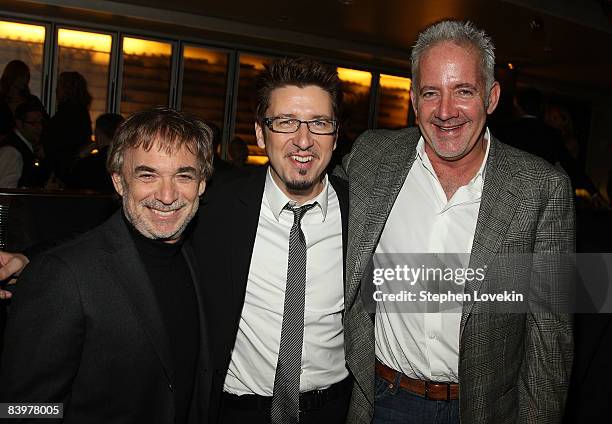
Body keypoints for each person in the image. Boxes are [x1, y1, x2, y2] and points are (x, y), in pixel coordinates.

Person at [338, 20, 575, 423]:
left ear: (492, 97)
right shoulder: (370, 158)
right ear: (414, 100)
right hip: (378, 402)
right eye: (432, 93)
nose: (446, 112)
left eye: (463, 91)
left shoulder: (542, 188)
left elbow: (549, 339)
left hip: (481, 411)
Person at [0, 107, 214, 424]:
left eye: (183, 175)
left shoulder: (200, 258)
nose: (167, 196)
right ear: (119, 182)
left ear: (201, 184)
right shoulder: (63, 277)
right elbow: (20, 410)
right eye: (147, 174)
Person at [194, 57, 350, 424]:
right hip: (235, 412)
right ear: (261, 133)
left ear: (336, 134)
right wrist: (33, 256)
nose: (303, 140)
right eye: (286, 122)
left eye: (319, 123)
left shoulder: (363, 212)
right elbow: (136, 231)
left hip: (332, 412)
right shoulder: (216, 207)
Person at [43, 71, 93, 183]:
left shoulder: (67, 114)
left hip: (63, 169)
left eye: (59, 86)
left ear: (67, 90)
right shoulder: (81, 113)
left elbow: (59, 143)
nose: (56, 90)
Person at [66, 113, 124, 192]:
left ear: (98, 134)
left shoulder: (88, 164)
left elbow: (71, 187)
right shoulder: (126, 162)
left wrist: (80, 156)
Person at [0, 100, 49, 188]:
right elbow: (6, 193)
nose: (39, 127)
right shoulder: (12, 152)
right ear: (19, 123)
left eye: (41, 122)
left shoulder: (27, 147)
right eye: (33, 123)